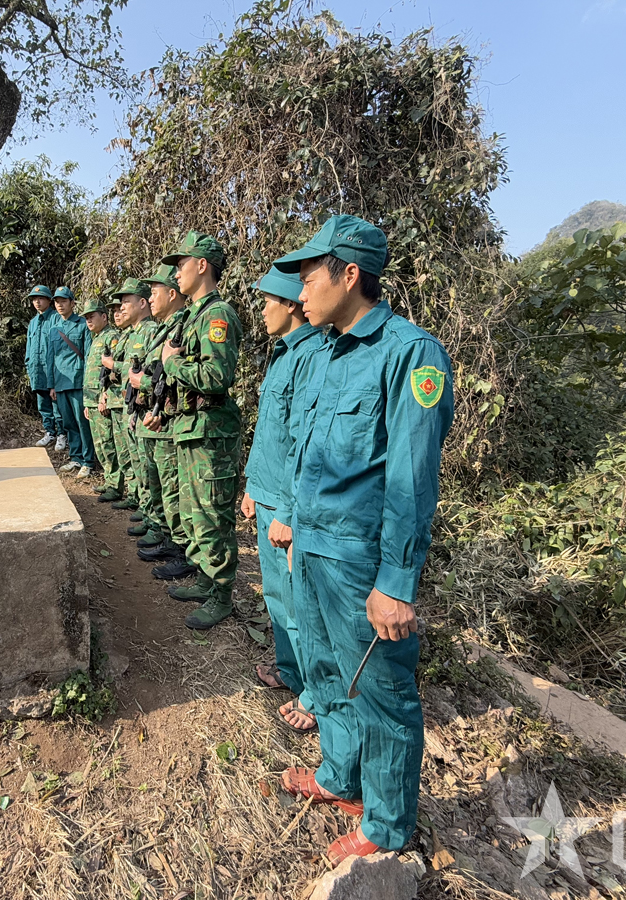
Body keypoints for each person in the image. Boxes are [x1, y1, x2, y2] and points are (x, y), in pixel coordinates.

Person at [269, 215, 454, 864]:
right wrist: (295, 525)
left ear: (350, 275)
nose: (300, 293)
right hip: (313, 550)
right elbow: (309, 453)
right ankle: (340, 777)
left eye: (308, 278)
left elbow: (411, 479)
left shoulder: (410, 354)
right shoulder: (323, 352)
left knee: (381, 695)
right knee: (324, 674)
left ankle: (389, 825)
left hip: (360, 563)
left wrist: (395, 584)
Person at [240, 265, 327, 733]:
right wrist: (253, 487)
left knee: (300, 606)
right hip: (269, 494)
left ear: (290, 305)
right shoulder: (283, 352)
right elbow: (271, 433)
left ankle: (315, 695)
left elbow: (304, 444)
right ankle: (290, 671)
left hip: (288, 504)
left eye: (268, 302)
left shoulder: (311, 356)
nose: (263, 312)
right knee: (276, 597)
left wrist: (290, 513)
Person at [159, 231, 243, 630]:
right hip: (191, 428)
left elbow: (216, 376)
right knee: (195, 516)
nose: (177, 273)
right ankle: (208, 581)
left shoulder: (217, 315)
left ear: (202, 265)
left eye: (181, 265)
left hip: (211, 432)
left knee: (213, 517)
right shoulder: (194, 315)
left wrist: (172, 363)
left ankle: (223, 596)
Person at [133, 264, 194, 580]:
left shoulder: (181, 325)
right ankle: (173, 541)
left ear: (172, 294)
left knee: (173, 491)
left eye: (154, 292)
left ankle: (182, 551)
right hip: (159, 417)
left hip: (170, 421)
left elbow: (170, 375)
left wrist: (143, 384)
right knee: (163, 488)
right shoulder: (165, 327)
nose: (150, 298)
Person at [110, 278, 158, 526]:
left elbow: (149, 372)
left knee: (147, 464)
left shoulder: (151, 331)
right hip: (131, 406)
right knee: (137, 460)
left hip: (144, 408)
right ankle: (144, 506)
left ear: (142, 303)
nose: (122, 307)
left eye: (127, 301)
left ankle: (152, 515)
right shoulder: (132, 334)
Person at [48, 286, 95, 478]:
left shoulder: (82, 324)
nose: (60, 305)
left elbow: (89, 355)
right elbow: (50, 358)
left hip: (78, 381)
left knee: (82, 422)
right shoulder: (54, 328)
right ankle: (76, 457)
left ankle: (88, 461)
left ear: (72, 303)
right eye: (57, 302)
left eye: (64, 301)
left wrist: (88, 382)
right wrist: (51, 384)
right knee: (68, 423)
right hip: (60, 383)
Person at [97, 293, 133, 506]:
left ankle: (134, 495)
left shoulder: (122, 336)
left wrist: (112, 368)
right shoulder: (124, 336)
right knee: (120, 449)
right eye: (114, 311)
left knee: (128, 451)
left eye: (120, 309)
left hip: (124, 401)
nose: (117, 314)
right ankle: (132, 493)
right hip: (115, 399)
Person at [82, 294, 120, 491]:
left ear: (104, 317)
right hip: (92, 401)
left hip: (102, 401)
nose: (88, 320)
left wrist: (104, 397)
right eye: (86, 317)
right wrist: (87, 403)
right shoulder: (95, 339)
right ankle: (109, 480)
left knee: (108, 443)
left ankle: (115, 484)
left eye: (92, 316)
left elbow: (113, 371)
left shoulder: (111, 336)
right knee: (100, 445)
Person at [25, 285, 66, 450]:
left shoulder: (56, 318)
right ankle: (50, 432)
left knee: (57, 404)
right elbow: (29, 346)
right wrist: (28, 364)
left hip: (53, 370)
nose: (37, 302)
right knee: (43, 404)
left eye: (41, 298)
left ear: (49, 300)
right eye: (35, 299)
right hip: (37, 370)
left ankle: (62, 434)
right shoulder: (33, 322)